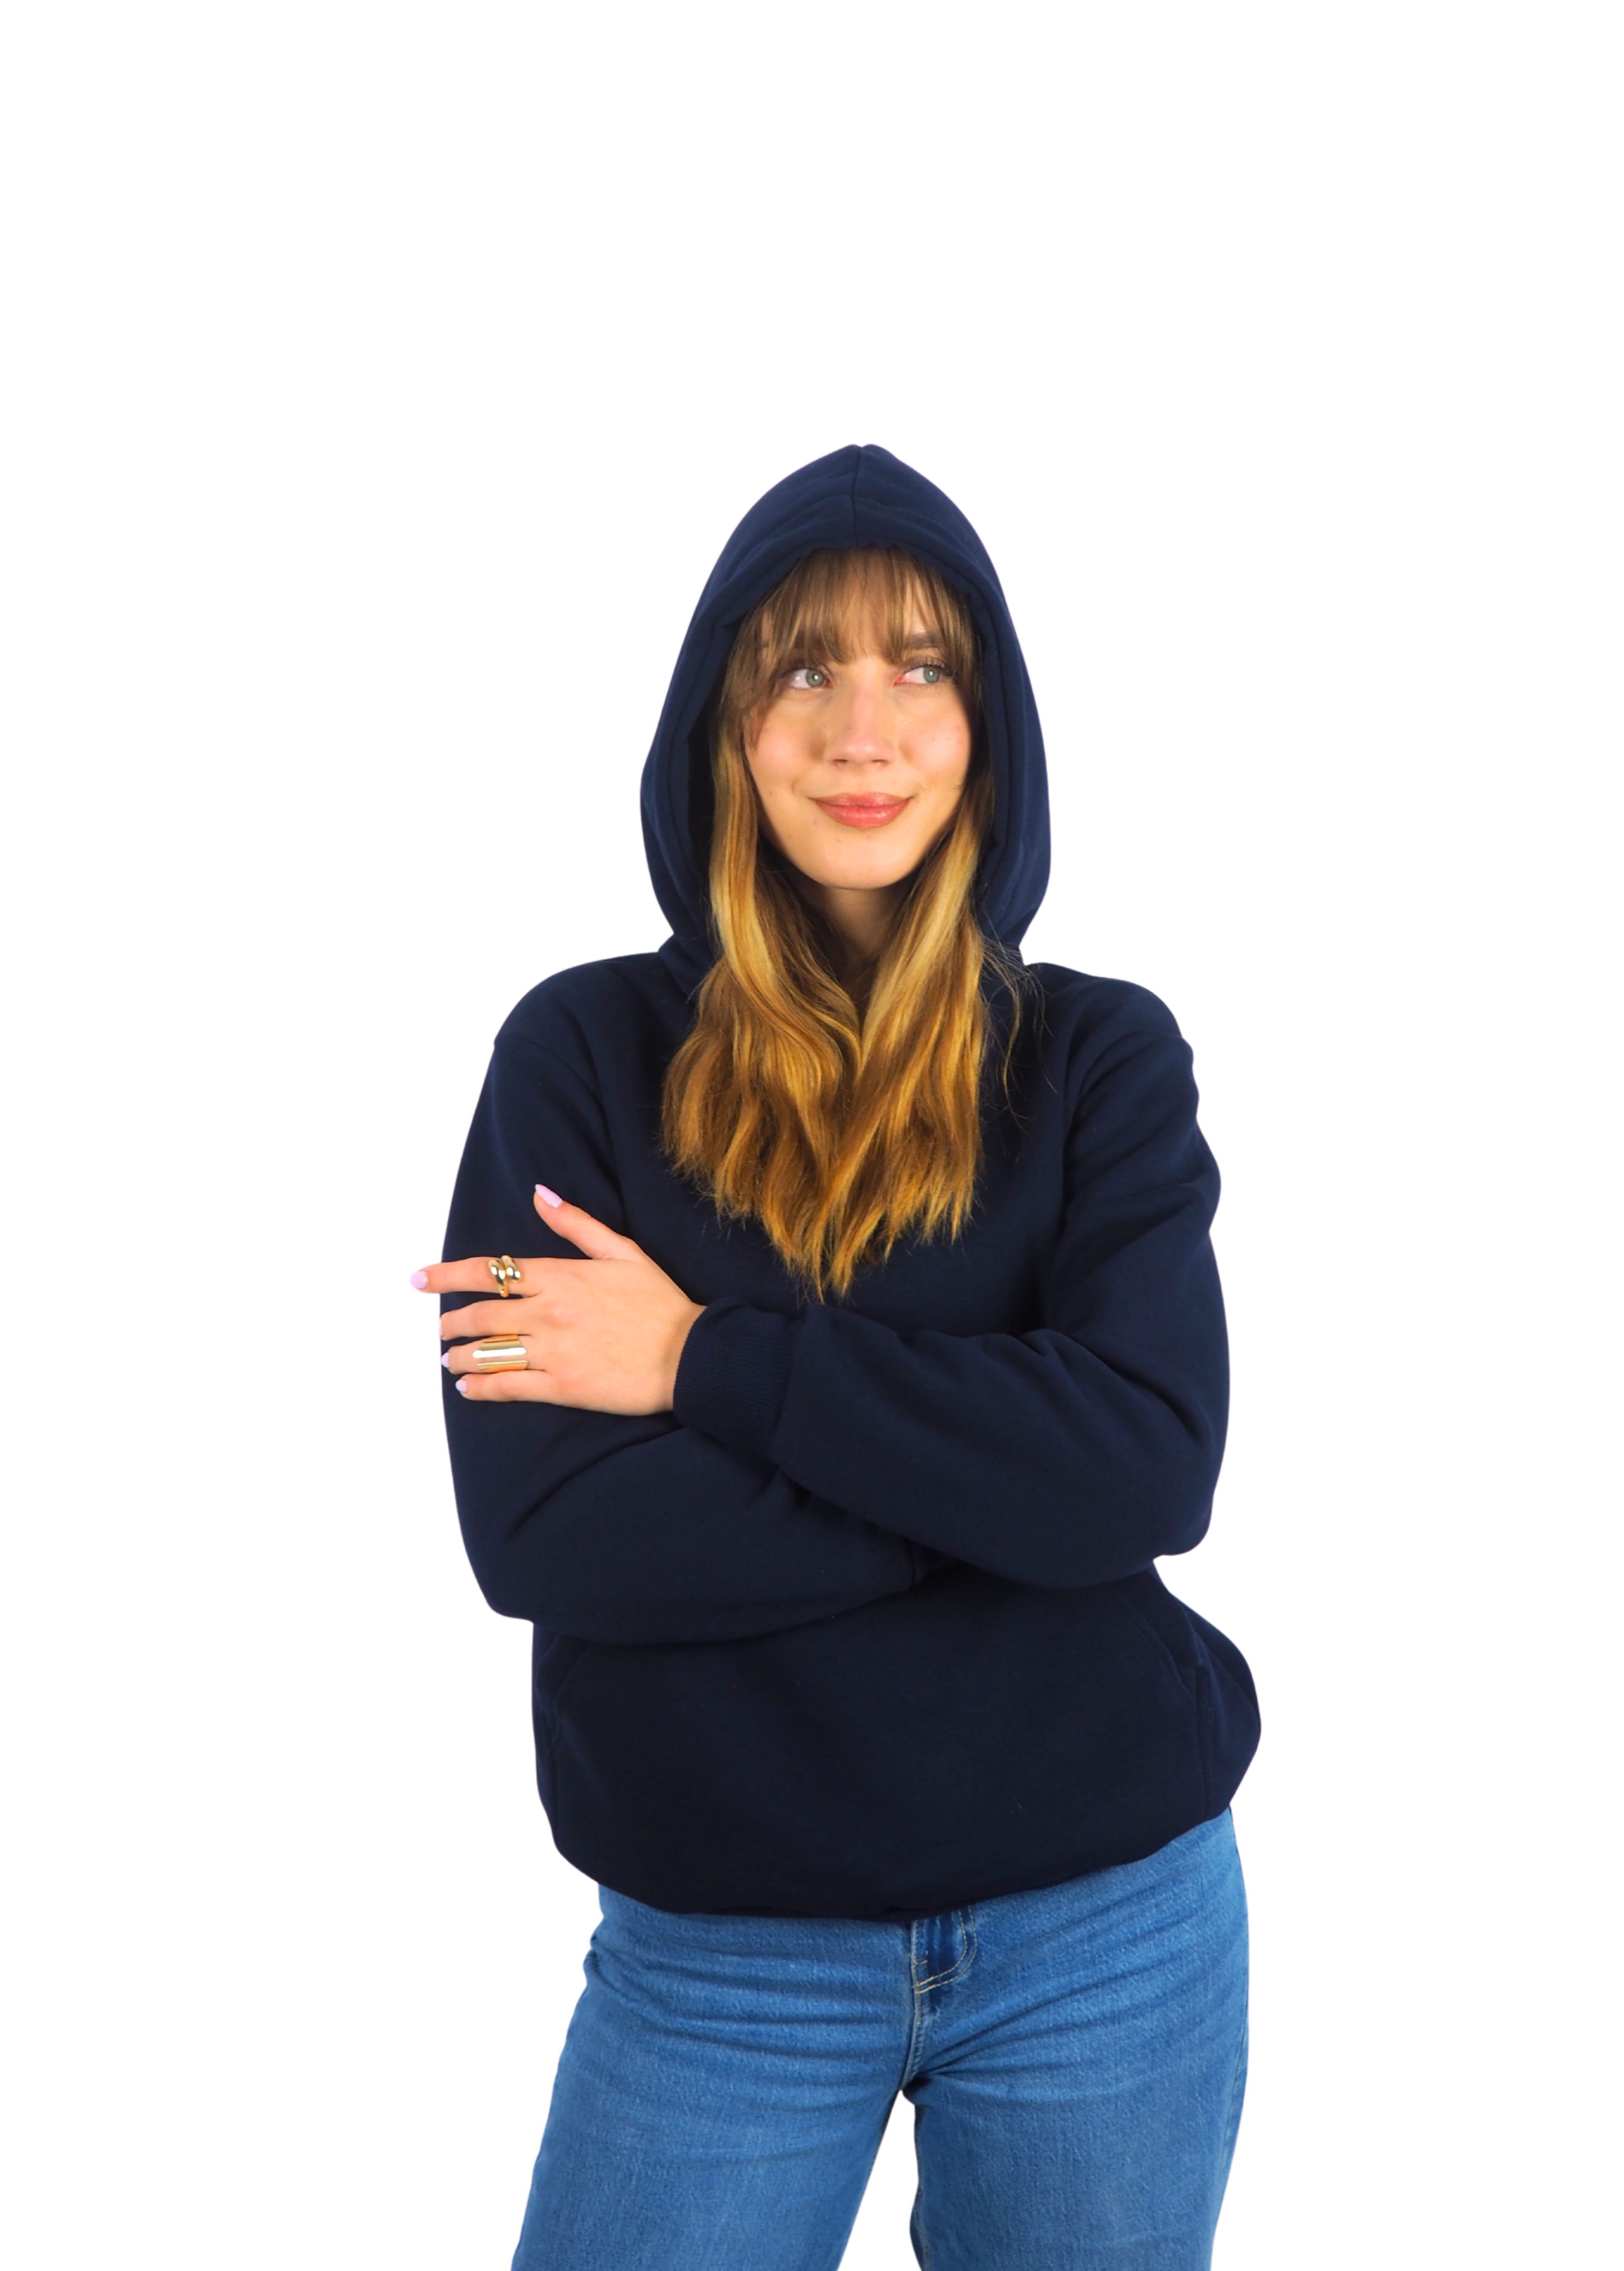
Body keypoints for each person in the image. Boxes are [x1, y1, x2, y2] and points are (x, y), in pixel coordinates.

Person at [410, 443, 1260, 2269]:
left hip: (1112, 1930)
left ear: (989, 726)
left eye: (921, 666)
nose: (863, 729)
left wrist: (701, 1364)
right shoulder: (578, 1053)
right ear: (725, 724)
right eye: (804, 666)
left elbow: (1150, 1469)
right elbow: (546, 1534)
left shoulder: (1101, 1056)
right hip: (718, 1964)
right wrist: (1008, 1502)